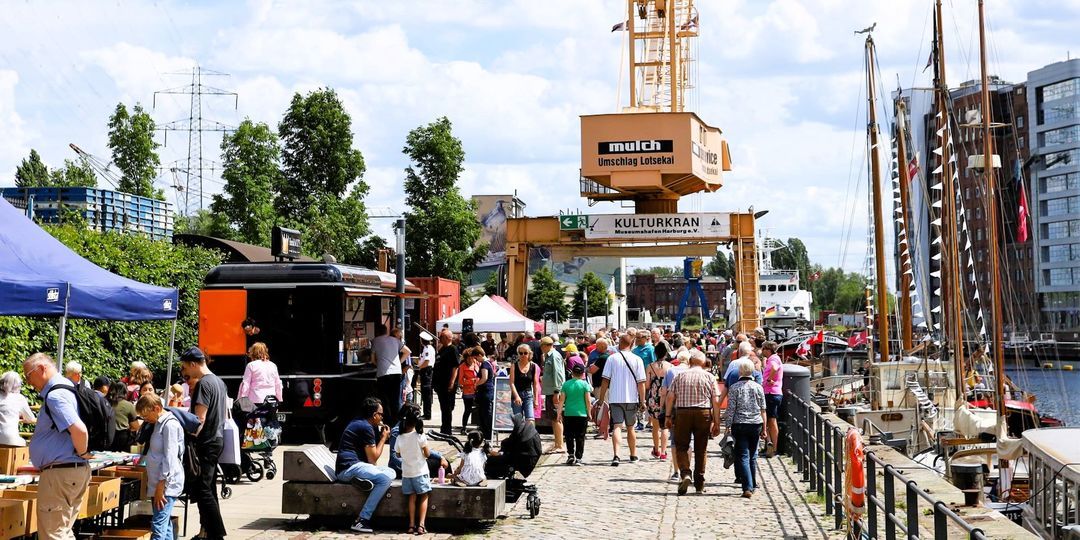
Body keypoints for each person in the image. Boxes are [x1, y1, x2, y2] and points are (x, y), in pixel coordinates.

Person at [24, 353, 92, 540]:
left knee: (53, 534)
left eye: (28, 375)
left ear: (41, 369)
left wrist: (83, 452)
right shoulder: (69, 388)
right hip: (71, 471)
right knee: (63, 532)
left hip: (60, 474)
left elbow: (79, 430)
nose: (28, 382)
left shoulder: (55, 395)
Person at [179, 346, 228, 540]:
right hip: (217, 438)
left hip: (206, 440)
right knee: (209, 488)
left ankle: (216, 533)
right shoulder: (219, 382)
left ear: (193, 364)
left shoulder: (204, 384)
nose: (185, 372)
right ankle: (207, 532)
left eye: (185, 367)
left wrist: (189, 436)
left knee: (203, 490)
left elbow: (199, 418)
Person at [335, 397, 395, 534]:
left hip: (354, 467)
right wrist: (383, 438)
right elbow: (373, 459)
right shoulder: (366, 427)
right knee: (384, 480)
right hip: (349, 469)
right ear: (374, 415)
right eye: (381, 414)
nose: (382, 418)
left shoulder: (359, 422)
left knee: (391, 472)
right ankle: (362, 520)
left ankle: (360, 480)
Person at [664, 352, 721, 495]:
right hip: (703, 414)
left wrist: (668, 416)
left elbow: (670, 397)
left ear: (690, 362)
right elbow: (716, 401)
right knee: (701, 449)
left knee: (681, 446)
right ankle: (699, 483)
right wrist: (717, 421)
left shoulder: (680, 376)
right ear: (703, 363)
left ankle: (685, 473)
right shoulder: (709, 377)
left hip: (683, 413)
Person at [136, 392, 184, 540]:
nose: (145, 420)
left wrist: (161, 486)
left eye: (146, 416)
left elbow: (170, 458)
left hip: (165, 485)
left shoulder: (169, 425)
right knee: (164, 524)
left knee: (158, 526)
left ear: (156, 408)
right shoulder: (158, 423)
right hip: (159, 483)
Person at [596, 334, 647, 466]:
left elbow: (605, 380)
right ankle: (633, 454)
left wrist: (601, 398)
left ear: (619, 343)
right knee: (631, 428)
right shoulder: (637, 359)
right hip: (631, 398)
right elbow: (641, 383)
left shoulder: (612, 358)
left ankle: (616, 455)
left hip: (615, 398)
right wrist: (643, 401)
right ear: (631, 344)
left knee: (617, 427)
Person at [725, 361, 767, 498]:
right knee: (753, 455)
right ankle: (752, 484)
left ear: (740, 372)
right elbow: (763, 409)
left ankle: (747, 487)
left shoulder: (734, 388)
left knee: (743, 455)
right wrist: (764, 428)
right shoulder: (758, 387)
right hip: (756, 423)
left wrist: (728, 425)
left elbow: (731, 409)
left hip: (740, 424)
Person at [394, 405, 432, 535]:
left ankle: (411, 525)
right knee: (424, 496)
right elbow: (428, 454)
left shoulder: (399, 437)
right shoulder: (420, 436)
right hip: (420, 472)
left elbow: (397, 454)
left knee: (411, 498)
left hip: (407, 473)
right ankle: (421, 525)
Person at [559, 363, 592, 465]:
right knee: (580, 436)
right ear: (582, 374)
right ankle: (578, 457)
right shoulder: (585, 385)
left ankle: (570, 454)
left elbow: (561, 400)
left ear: (572, 373)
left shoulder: (566, 384)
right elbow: (588, 401)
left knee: (569, 435)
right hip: (581, 414)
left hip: (569, 414)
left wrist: (559, 413)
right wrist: (589, 413)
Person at [371, 324, 403, 425]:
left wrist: (379, 364)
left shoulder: (375, 341)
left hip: (383, 373)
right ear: (387, 331)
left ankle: (387, 423)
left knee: (384, 399)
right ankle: (396, 423)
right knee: (395, 399)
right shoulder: (395, 340)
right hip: (396, 372)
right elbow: (407, 351)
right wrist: (399, 362)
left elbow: (372, 360)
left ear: (377, 332)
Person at [538, 336, 566, 453]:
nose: (541, 348)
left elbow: (558, 374)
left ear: (546, 346)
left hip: (554, 392)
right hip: (550, 391)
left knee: (556, 418)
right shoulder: (549, 356)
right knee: (553, 419)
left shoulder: (554, 356)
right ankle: (557, 443)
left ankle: (560, 445)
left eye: (541, 346)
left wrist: (557, 392)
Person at [645, 341, 672, 460]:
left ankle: (656, 449)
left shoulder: (650, 366)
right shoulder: (670, 367)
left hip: (654, 397)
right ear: (666, 353)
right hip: (666, 397)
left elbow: (647, 385)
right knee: (664, 426)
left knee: (655, 426)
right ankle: (663, 451)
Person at [433, 330, 459, 435]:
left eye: (442, 337)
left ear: (448, 338)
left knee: (448, 407)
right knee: (443, 407)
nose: (439, 339)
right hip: (440, 383)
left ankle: (447, 429)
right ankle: (444, 427)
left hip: (448, 383)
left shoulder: (453, 349)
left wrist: (452, 382)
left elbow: (455, 367)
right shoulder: (442, 349)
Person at [760, 341, 784, 458]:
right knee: (769, 420)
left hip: (771, 393)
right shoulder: (773, 358)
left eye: (763, 348)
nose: (762, 350)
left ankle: (774, 448)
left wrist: (769, 379)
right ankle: (769, 445)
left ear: (768, 350)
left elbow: (774, 368)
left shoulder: (773, 359)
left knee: (771, 420)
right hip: (771, 392)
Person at [0, 371, 35, 446]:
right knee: (24, 443)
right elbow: (31, 419)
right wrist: (21, 418)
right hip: (10, 439)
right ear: (17, 385)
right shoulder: (19, 398)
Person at [107, 381, 139, 452]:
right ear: (125, 393)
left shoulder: (105, 403)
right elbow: (135, 427)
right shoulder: (129, 405)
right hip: (123, 439)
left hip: (107, 438)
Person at [457, 347, 481, 434]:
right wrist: (472, 381)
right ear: (465, 358)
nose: (471, 360)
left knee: (479, 409)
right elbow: (460, 381)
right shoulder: (462, 367)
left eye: (472, 358)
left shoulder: (477, 364)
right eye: (468, 358)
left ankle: (480, 426)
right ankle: (464, 427)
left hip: (477, 391)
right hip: (468, 392)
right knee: (467, 410)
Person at [474, 350, 496, 440]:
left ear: (480, 355)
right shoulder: (489, 363)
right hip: (488, 391)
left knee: (485, 414)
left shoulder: (484, 364)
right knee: (486, 413)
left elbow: (484, 378)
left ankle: (487, 434)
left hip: (485, 392)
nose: (476, 360)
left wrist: (476, 384)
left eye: (476, 358)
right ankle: (487, 433)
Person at [417, 335, 436, 420]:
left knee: (426, 394)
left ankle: (427, 414)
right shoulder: (427, 348)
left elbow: (426, 362)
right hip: (426, 370)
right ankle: (426, 413)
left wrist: (419, 367)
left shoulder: (427, 348)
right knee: (425, 394)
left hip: (426, 371)